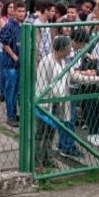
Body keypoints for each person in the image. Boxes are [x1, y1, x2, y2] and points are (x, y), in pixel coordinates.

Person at [35, 35, 81, 165]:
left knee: (51, 132)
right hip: (45, 103)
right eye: (68, 48)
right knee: (41, 133)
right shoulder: (47, 61)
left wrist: (95, 78)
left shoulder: (63, 61)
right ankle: (37, 161)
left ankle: (47, 158)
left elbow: (73, 75)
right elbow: (45, 84)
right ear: (62, 48)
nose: (70, 50)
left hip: (57, 102)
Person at [0, 0, 27, 127]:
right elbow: (4, 43)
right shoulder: (9, 26)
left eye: (23, 11)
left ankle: (14, 114)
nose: (22, 13)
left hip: (19, 64)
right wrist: (15, 57)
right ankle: (10, 116)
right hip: (11, 64)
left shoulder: (22, 26)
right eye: (19, 11)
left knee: (17, 91)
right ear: (14, 12)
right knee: (11, 91)